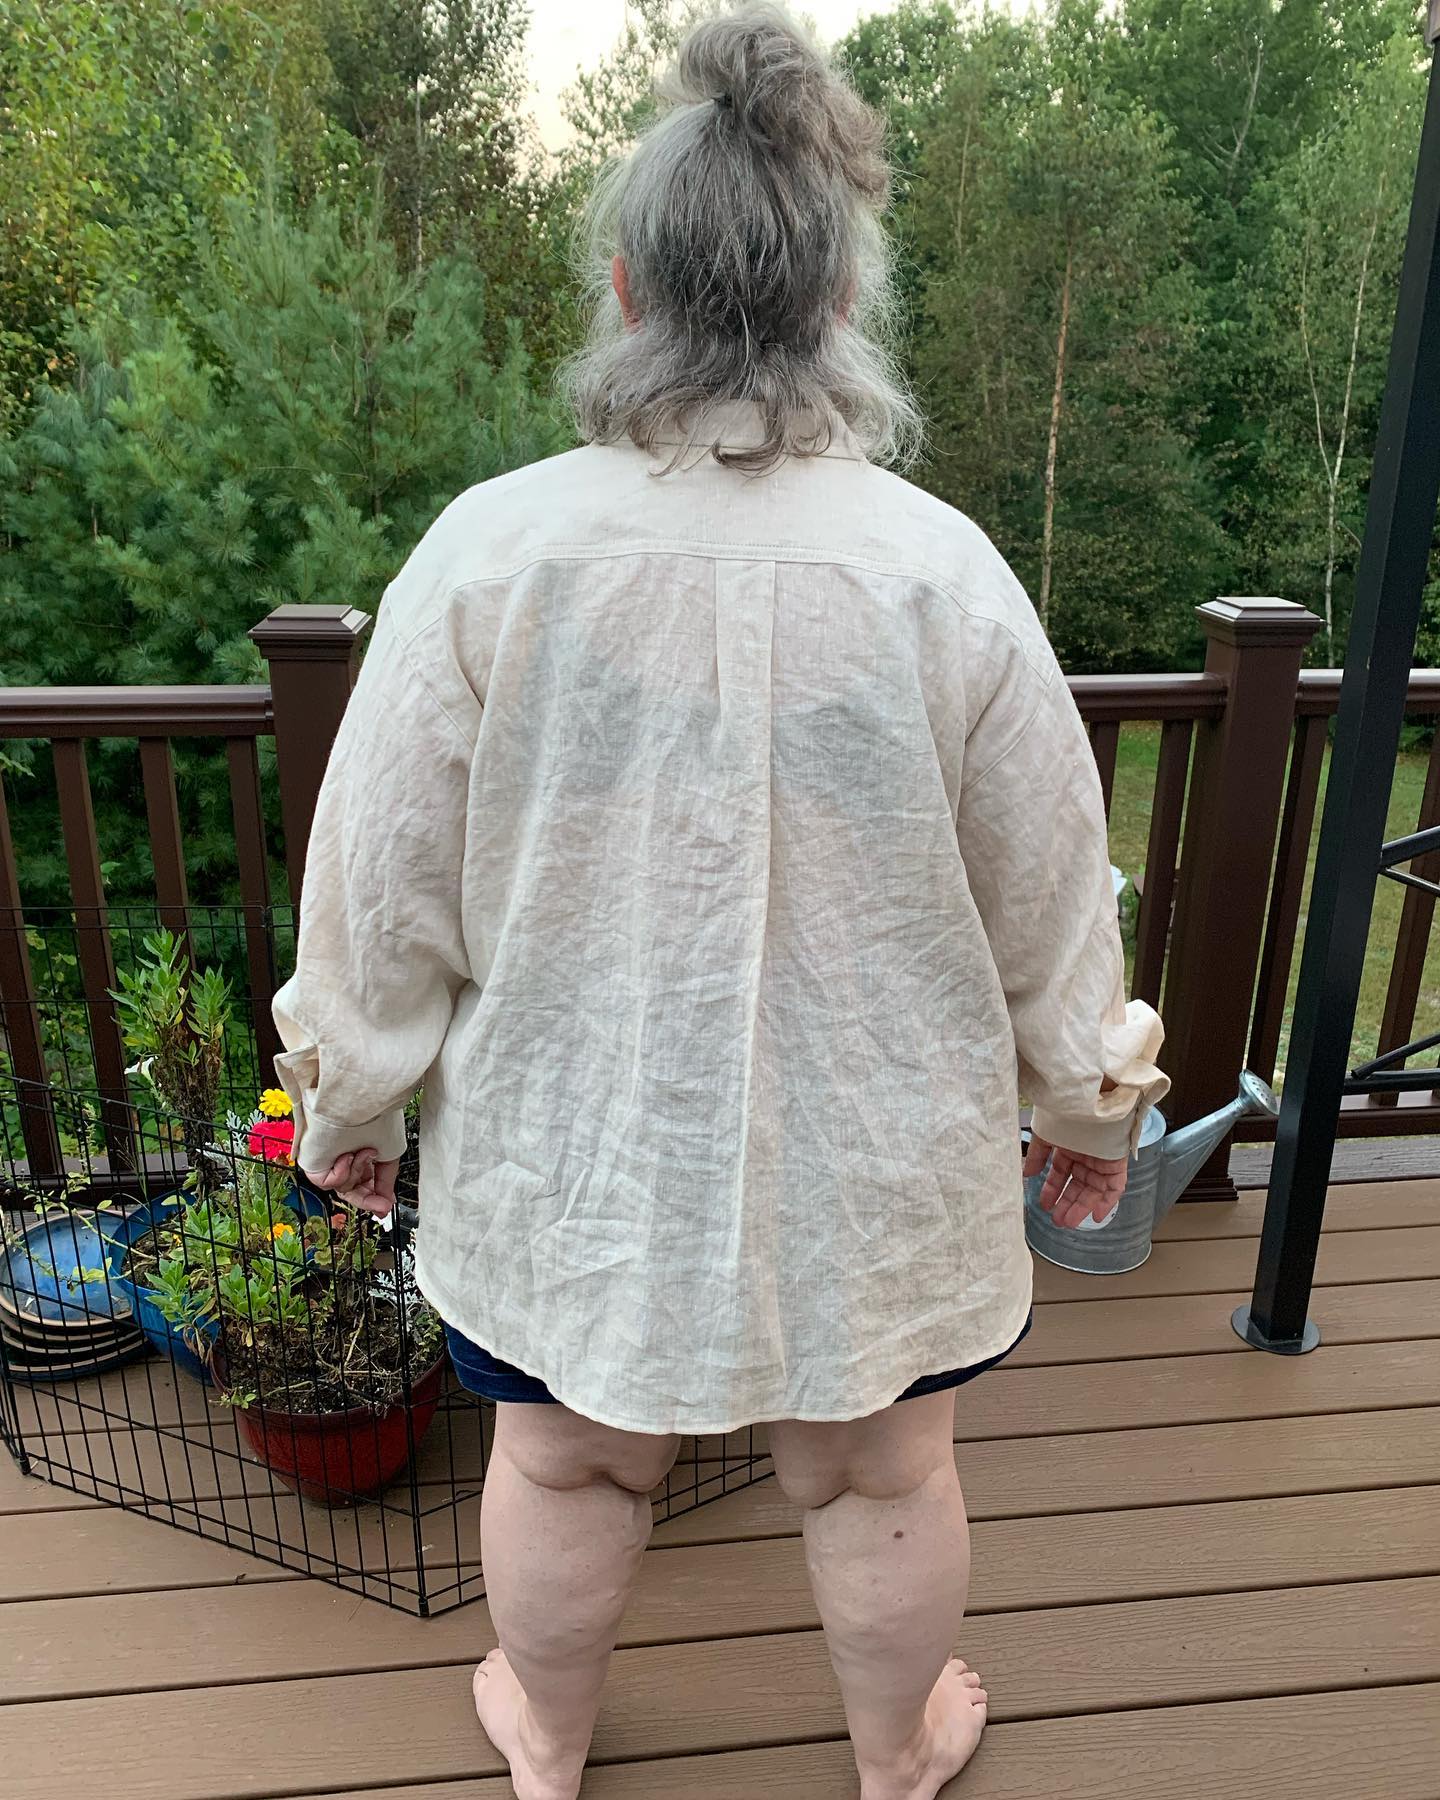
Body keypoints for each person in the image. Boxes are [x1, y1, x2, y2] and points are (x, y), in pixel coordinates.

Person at [271, 7, 1168, 1797]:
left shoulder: (491, 554)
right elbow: (1051, 885)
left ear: (627, 289)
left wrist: (350, 1104)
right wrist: (1087, 1105)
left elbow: (380, 879)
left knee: (569, 1460)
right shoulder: (943, 572)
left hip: (578, 1143)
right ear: (836, 303)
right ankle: (896, 1753)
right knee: (881, 1472)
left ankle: (547, 1740)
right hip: (875, 1146)